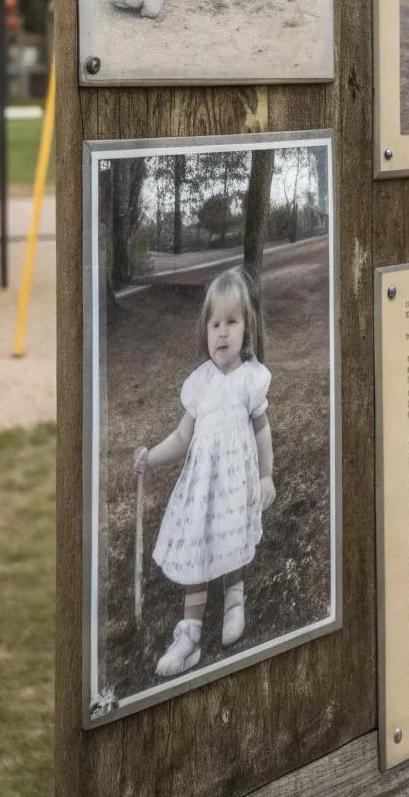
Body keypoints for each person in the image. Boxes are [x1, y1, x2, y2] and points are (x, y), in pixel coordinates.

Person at [133, 265, 275, 678]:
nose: (223, 333)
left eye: (232, 322)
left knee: (232, 538)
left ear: (247, 328)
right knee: (196, 546)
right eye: (216, 324)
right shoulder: (200, 383)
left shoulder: (251, 380)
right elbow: (181, 437)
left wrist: (266, 475)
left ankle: (234, 599)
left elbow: (263, 432)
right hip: (201, 488)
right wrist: (152, 458)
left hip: (235, 484)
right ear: (206, 330)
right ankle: (190, 634)